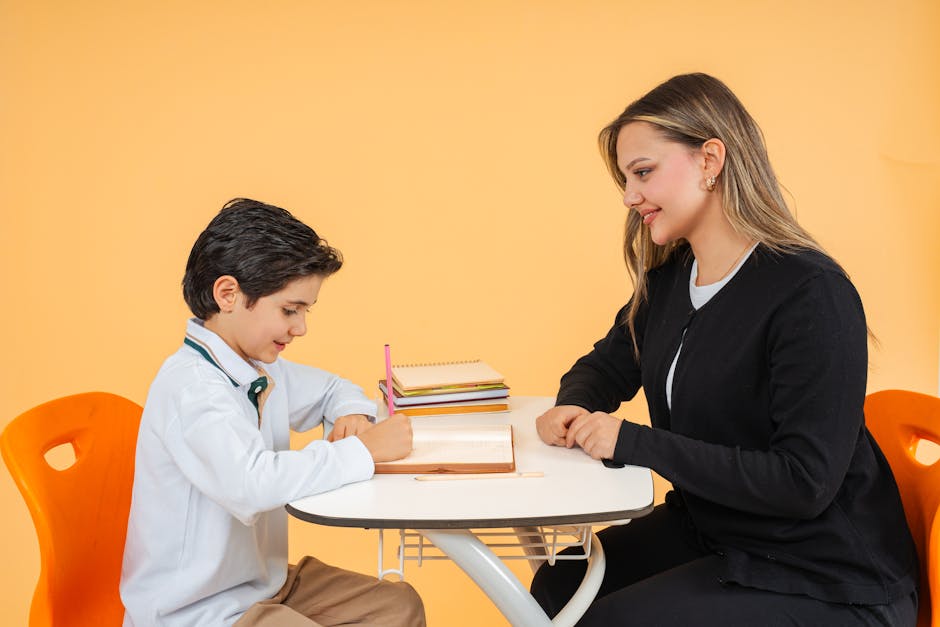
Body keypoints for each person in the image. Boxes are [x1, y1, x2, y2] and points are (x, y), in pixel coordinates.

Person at [530, 74, 919, 626]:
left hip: (825, 574)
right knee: (559, 581)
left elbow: (804, 482)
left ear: (711, 159)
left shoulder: (810, 294)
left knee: (608, 622)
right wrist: (575, 400)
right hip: (718, 530)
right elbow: (608, 363)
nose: (628, 196)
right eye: (625, 178)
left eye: (643, 173)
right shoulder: (673, 279)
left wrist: (636, 442)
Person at [120, 198, 426, 626]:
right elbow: (252, 483)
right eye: (290, 310)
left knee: (397, 607)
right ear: (228, 294)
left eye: (304, 311)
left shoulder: (257, 366)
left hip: (264, 585)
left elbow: (333, 390)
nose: (300, 328)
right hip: (198, 610)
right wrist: (364, 452)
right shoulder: (192, 389)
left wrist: (353, 415)